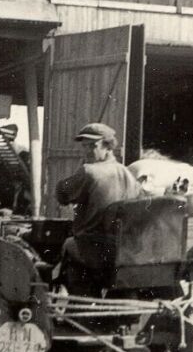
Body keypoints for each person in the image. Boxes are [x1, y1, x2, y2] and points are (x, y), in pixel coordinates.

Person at [55, 122, 140, 288]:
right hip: (123, 247)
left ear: (108, 147)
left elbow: (62, 195)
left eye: (93, 146)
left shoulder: (89, 171)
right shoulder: (126, 172)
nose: (87, 150)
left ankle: (75, 297)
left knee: (68, 245)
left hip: (94, 247)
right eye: (84, 146)